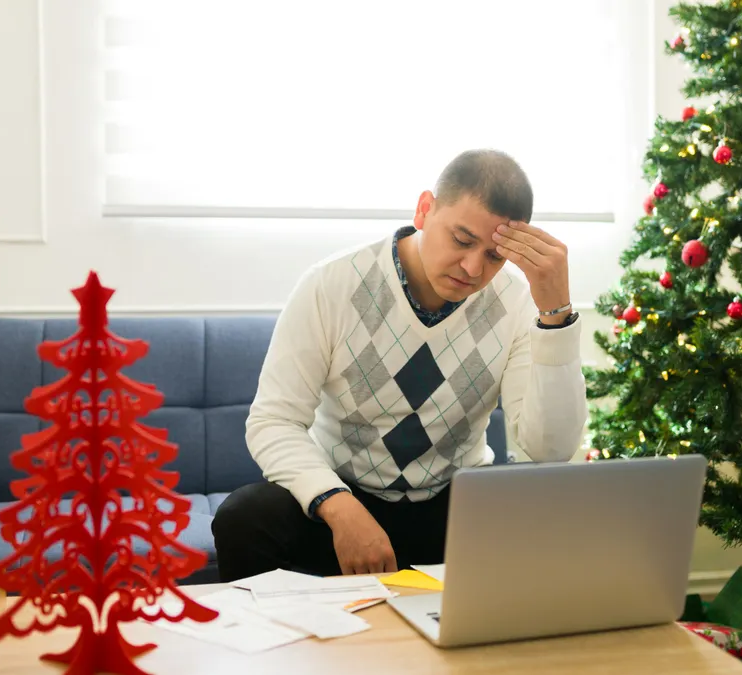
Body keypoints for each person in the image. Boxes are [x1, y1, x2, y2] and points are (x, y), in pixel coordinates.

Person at [211, 149, 588, 581]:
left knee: (549, 517)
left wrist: (555, 315)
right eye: (462, 240)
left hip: (456, 506)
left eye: (494, 256)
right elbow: (273, 421)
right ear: (425, 209)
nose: (472, 268)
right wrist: (339, 507)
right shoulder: (331, 284)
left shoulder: (519, 302)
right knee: (245, 517)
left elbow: (550, 448)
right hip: (344, 500)